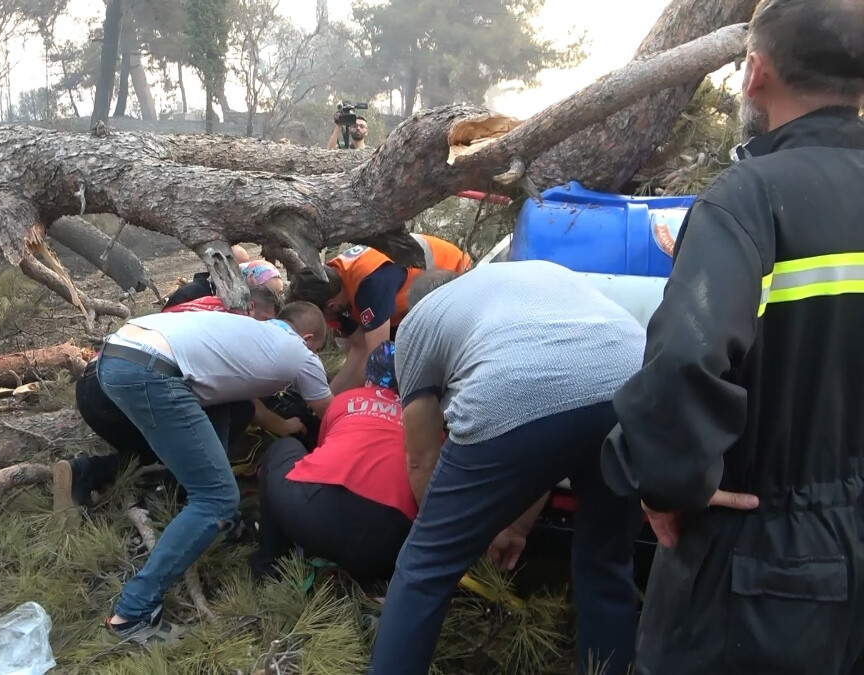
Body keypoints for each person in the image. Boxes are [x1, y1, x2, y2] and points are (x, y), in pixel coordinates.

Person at [600, 2, 864, 673]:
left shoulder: (747, 199)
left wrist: (665, 482)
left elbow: (685, 357)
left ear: (756, 74)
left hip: (762, 564)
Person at [368, 263, 647, 675]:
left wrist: (451, 535)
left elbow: (421, 457)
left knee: (424, 569)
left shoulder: (416, 325)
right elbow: (551, 440)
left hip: (514, 388)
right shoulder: (526, 276)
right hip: (635, 383)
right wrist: (515, 527)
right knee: (606, 562)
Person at [96, 302, 335, 643]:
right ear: (309, 338)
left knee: (228, 405)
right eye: (319, 348)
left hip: (119, 351)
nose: (316, 354)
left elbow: (244, 400)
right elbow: (334, 412)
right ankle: (132, 614)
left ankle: (220, 528)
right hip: (151, 371)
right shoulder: (301, 353)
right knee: (217, 498)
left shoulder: (252, 331)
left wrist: (283, 425)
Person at [58, 285, 290, 512]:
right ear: (250, 306)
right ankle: (182, 496)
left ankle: (84, 472)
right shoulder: (237, 324)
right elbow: (243, 397)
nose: (268, 330)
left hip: (97, 381)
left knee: (161, 447)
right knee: (225, 420)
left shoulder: (201, 307)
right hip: (124, 386)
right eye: (267, 320)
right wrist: (284, 426)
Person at [250, 341, 417, 591]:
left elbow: (321, 452)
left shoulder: (346, 400)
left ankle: (270, 561)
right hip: (386, 547)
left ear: (369, 377)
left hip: (309, 516)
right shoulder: (428, 420)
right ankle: (370, 581)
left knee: (282, 450)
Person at [287, 233, 470, 393]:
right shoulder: (330, 281)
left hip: (453, 279)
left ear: (332, 306)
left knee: (397, 366)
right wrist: (328, 397)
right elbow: (359, 347)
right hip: (413, 294)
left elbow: (375, 358)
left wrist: (339, 400)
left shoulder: (370, 285)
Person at [164, 260, 285, 311]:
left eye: (280, 293)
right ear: (251, 282)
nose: (276, 300)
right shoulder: (192, 294)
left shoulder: (244, 302)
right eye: (272, 294)